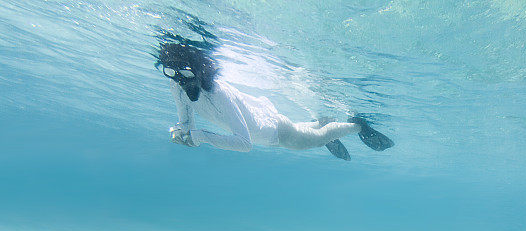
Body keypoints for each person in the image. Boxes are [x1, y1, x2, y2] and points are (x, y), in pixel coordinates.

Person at [156, 42, 393, 160]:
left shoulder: (219, 93)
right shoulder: (176, 84)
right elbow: (185, 120)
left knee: (313, 140)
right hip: (270, 124)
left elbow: (244, 143)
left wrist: (201, 137)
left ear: (198, 71)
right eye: (171, 74)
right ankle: (321, 123)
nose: (179, 81)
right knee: (306, 132)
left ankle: (357, 126)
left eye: (184, 75)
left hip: (275, 132)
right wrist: (182, 132)